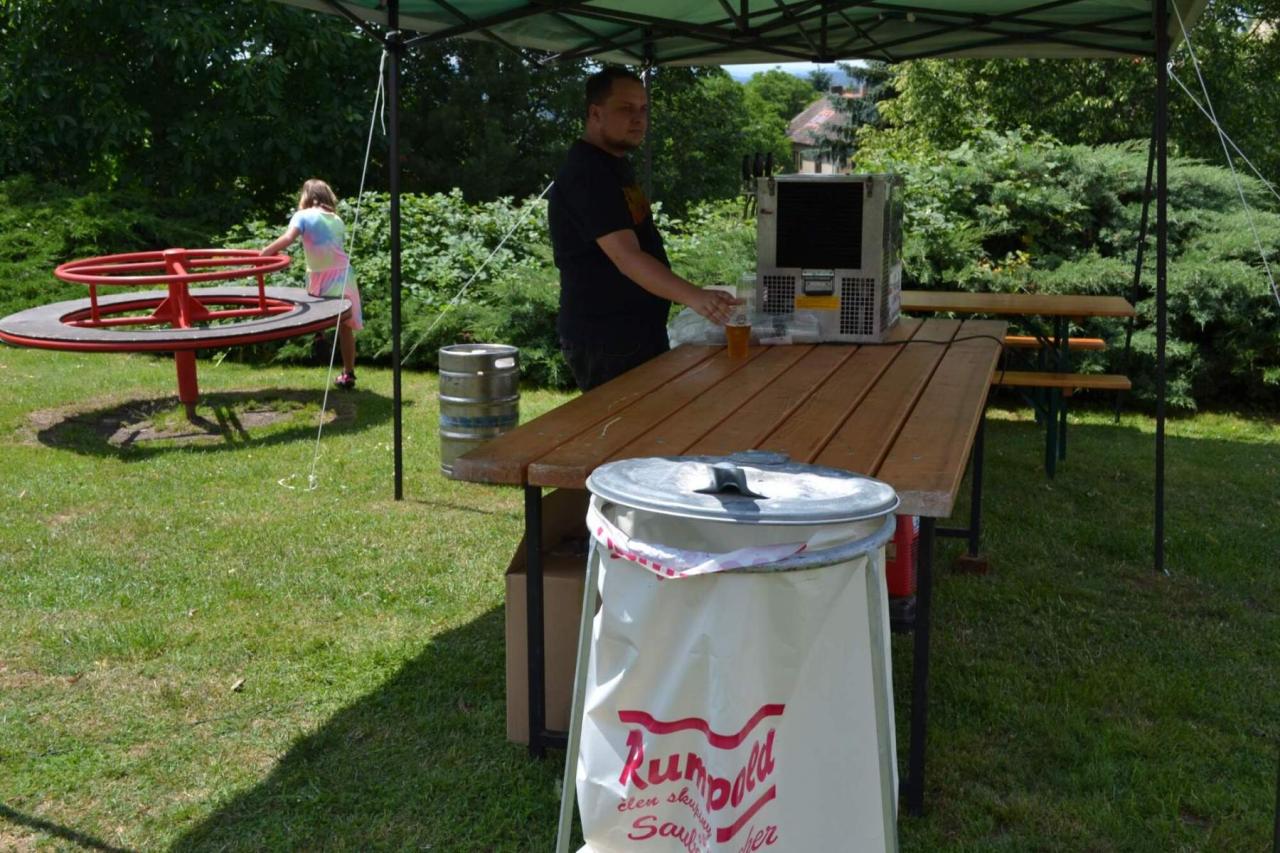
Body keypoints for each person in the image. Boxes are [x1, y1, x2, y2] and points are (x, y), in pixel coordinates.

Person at [548, 67, 738, 391]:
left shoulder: (612, 164)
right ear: (595, 113)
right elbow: (627, 257)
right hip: (608, 338)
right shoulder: (588, 173)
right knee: (627, 423)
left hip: (633, 332)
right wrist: (696, 298)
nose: (638, 119)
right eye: (626, 109)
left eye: (643, 109)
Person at [261, 179, 363, 390]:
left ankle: (320, 339)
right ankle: (348, 373)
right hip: (343, 274)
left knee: (318, 312)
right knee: (345, 326)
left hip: (320, 275)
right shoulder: (336, 218)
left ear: (306, 196)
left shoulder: (303, 215)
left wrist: (264, 253)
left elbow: (288, 238)